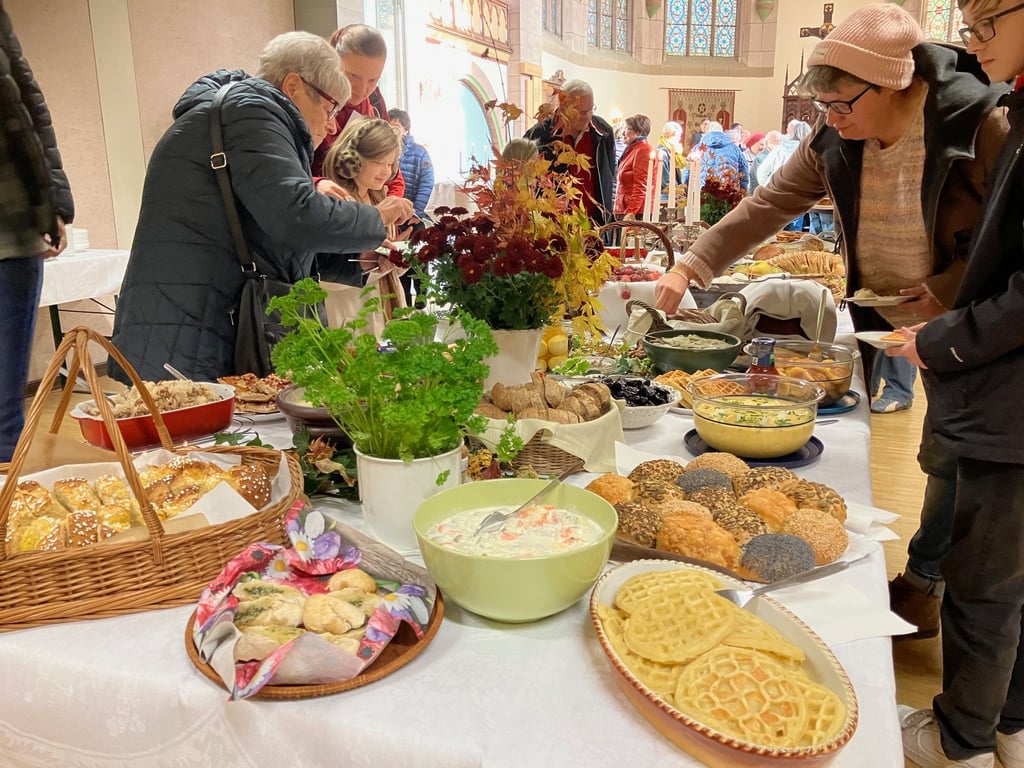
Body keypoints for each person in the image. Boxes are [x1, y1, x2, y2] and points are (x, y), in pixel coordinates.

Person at [653, 3, 1009, 644]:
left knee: (956, 453)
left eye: (842, 105)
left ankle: (932, 587)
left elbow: (1005, 241)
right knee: (942, 449)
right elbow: (769, 204)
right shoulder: (835, 140)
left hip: (970, 318)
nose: (832, 120)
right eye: (824, 109)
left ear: (894, 83)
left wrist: (944, 293)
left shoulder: (979, 126)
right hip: (891, 315)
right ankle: (929, 581)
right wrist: (693, 267)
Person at [109, 32, 413, 382]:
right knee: (207, 434)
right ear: (294, 85)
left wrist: (357, 260)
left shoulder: (246, 115)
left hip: (203, 316)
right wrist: (378, 216)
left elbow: (266, 234)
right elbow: (295, 218)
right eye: (329, 109)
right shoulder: (251, 113)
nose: (331, 125)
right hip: (197, 324)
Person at [891, 1, 1024, 765]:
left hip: (1009, 399)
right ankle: (1007, 723)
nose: (976, 42)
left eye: (984, 23)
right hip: (1001, 383)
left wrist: (944, 337)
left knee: (983, 582)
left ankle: (960, 739)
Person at [0, 1, 74, 463]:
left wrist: (54, 205)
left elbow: (29, 107)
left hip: (11, 227)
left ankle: (10, 506)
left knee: (5, 404)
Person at [312, 24, 404, 200]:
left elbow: (387, 154)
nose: (362, 90)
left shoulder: (374, 102)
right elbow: (283, 169)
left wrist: (395, 203)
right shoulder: (311, 98)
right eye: (352, 76)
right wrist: (313, 183)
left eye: (373, 80)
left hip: (363, 206)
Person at [524, 78, 615, 226]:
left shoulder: (603, 132)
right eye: (580, 111)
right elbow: (523, 179)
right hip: (551, 226)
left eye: (591, 109)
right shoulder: (540, 135)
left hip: (593, 226)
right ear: (563, 107)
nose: (587, 116)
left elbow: (609, 175)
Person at [757, 119, 813, 230]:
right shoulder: (808, 152)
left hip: (776, 195)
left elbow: (762, 172)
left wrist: (769, 186)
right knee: (792, 237)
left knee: (774, 233)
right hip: (797, 198)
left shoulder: (779, 149)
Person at [388, 108, 434, 223]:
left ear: (406, 130)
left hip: (410, 213)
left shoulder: (420, 152)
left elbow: (426, 183)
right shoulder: (381, 151)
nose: (392, 131)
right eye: (388, 127)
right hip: (388, 210)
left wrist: (416, 213)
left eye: (396, 127)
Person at [680, 120, 748, 192]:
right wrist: (743, 190)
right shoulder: (735, 149)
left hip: (701, 191)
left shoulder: (698, 148)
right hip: (728, 192)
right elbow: (744, 171)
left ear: (706, 132)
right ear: (722, 132)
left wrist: (685, 188)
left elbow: (687, 170)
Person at [613, 114, 655, 219]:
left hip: (636, 212)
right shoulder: (632, 149)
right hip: (624, 208)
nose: (623, 133)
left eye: (627, 129)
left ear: (638, 132)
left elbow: (641, 187)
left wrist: (629, 215)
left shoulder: (643, 150)